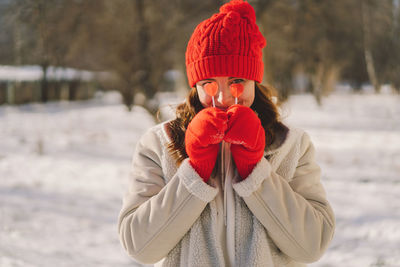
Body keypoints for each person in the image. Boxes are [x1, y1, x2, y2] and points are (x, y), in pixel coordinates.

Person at [118, 1, 335, 266]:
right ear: (195, 85)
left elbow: (312, 246)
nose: (222, 98)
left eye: (236, 82)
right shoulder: (158, 144)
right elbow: (139, 248)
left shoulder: (291, 145)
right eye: (208, 84)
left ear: (254, 80)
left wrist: (256, 172)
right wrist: (194, 173)